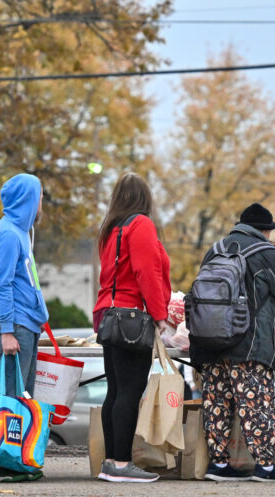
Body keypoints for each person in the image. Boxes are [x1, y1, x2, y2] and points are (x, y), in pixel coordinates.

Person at [190, 203, 275, 483]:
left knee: (216, 402)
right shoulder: (265, 253)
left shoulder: (217, 249)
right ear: (265, 231)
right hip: (248, 345)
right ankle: (265, 467)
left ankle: (219, 465)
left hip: (210, 343)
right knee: (256, 403)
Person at [93, 173, 171, 484]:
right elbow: (146, 271)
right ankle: (122, 464)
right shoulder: (141, 225)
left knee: (115, 390)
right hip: (131, 318)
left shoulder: (112, 229)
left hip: (108, 313)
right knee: (129, 390)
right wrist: (159, 313)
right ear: (144, 198)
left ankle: (112, 461)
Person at [0, 173, 49, 483]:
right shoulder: (8, 235)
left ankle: (12, 456)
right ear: (27, 200)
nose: (42, 204)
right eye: (39, 197)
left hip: (26, 322)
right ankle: (2, 462)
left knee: (20, 394)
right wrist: (7, 331)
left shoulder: (20, 232)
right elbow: (4, 285)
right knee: (9, 394)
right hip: (15, 323)